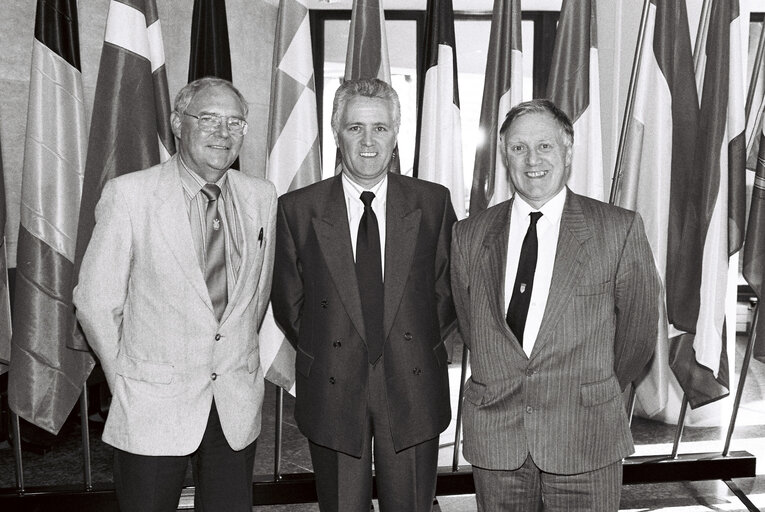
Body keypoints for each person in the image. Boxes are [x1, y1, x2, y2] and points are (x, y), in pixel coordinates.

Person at [73, 77, 277, 512]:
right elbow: (95, 301)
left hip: (234, 405)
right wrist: (127, 379)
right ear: (176, 124)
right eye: (207, 118)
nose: (223, 132)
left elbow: (255, 299)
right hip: (150, 403)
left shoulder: (261, 197)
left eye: (234, 122)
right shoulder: (130, 195)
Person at [450, 99, 660, 511]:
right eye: (518, 148)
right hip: (498, 440)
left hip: (584, 436)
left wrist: (589, 390)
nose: (532, 160)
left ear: (567, 153)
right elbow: (473, 328)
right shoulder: (469, 235)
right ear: (504, 155)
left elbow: (637, 335)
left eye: (545, 146)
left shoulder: (617, 230)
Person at [271, 78, 457, 512]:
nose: (368, 142)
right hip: (335, 385)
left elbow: (448, 291)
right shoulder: (298, 208)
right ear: (337, 134)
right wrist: (337, 343)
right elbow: (288, 302)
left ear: (396, 134)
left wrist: (412, 342)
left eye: (380, 128)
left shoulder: (432, 202)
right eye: (355, 128)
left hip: (412, 384)